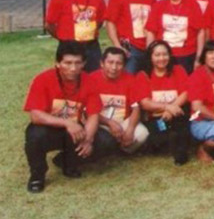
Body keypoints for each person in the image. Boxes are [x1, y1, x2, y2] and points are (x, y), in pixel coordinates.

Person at [23, 41, 116, 192]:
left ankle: (68, 162)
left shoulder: (89, 81)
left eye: (77, 63)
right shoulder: (42, 79)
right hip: (51, 128)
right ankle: (37, 175)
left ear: (84, 63)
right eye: (68, 63)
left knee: (106, 142)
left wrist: (88, 140)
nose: (73, 68)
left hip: (77, 131)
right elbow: (35, 115)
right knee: (35, 135)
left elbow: (93, 115)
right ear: (58, 63)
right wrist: (66, 123)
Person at [46, 0, 106, 72]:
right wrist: (62, 37)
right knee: (68, 81)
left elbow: (100, 21)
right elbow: (49, 24)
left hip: (91, 47)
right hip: (68, 46)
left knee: (94, 80)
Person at [137, 40, 191, 165]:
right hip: (155, 118)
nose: (161, 58)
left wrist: (171, 110)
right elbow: (145, 103)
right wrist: (168, 107)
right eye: (157, 55)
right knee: (158, 138)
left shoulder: (178, 70)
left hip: (176, 114)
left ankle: (180, 154)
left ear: (170, 55)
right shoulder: (143, 75)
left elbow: (186, 93)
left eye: (165, 54)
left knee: (181, 128)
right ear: (150, 57)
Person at [90, 47, 149, 154]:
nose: (114, 67)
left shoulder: (130, 79)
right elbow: (88, 111)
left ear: (124, 65)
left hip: (123, 121)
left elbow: (136, 108)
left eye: (119, 63)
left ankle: (122, 150)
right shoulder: (92, 79)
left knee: (142, 134)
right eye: (110, 62)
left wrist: (130, 129)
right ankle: (110, 147)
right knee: (102, 139)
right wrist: (109, 123)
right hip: (100, 121)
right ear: (102, 63)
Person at [145, 0, 206, 74]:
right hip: (163, 56)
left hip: (187, 55)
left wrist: (199, 57)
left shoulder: (192, 5)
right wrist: (149, 55)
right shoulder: (158, 6)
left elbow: (201, 32)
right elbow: (151, 32)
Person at [106, 0, 156, 74]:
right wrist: (118, 46)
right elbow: (110, 23)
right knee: (128, 80)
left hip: (148, 47)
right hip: (130, 49)